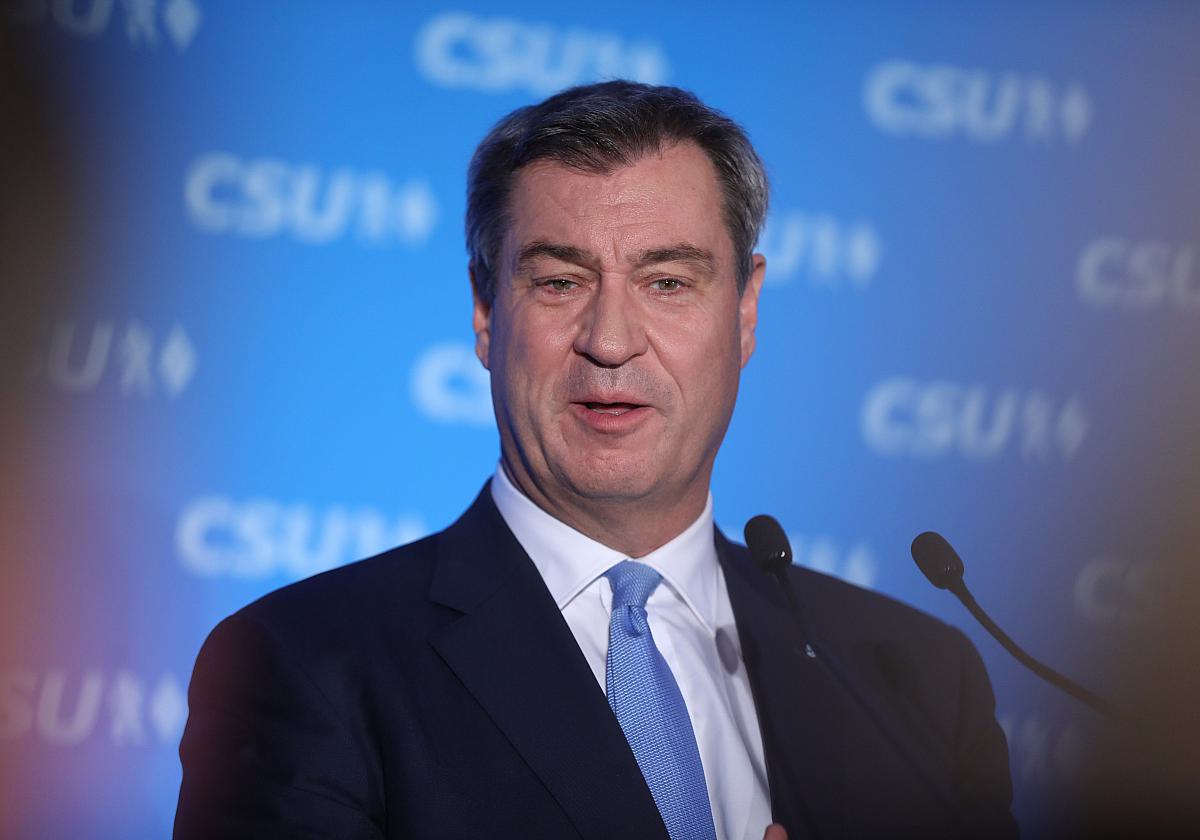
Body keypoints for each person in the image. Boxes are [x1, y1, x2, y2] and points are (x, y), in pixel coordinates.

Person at [174, 81, 1016, 840]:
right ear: (484, 311)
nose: (610, 342)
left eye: (667, 282)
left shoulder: (915, 681)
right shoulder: (307, 666)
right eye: (560, 282)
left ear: (745, 311)